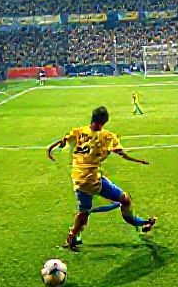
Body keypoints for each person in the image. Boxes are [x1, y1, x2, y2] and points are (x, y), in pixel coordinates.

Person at [47, 106, 157, 251]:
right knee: (125, 199)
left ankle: (72, 236)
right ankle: (140, 223)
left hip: (78, 179)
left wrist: (50, 150)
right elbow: (122, 153)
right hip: (92, 180)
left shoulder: (77, 131)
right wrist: (139, 160)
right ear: (104, 122)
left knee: (84, 211)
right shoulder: (107, 136)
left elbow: (61, 142)